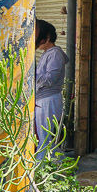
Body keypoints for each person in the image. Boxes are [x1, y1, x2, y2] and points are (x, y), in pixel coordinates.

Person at [34, 19, 67, 160]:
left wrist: (33, 76)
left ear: (47, 37)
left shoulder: (55, 54)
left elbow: (50, 79)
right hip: (44, 99)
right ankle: (48, 165)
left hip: (48, 100)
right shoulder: (48, 53)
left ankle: (45, 167)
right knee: (43, 138)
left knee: (45, 139)